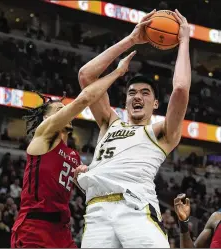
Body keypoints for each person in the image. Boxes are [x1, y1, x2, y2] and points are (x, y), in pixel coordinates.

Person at [75, 9, 191, 248]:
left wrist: (184, 41)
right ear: (126, 101)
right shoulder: (109, 122)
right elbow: (86, 76)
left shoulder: (162, 132)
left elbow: (180, 89)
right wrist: (131, 40)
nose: (137, 97)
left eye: (145, 93)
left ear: (155, 103)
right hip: (97, 212)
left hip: (136, 208)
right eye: (132, 93)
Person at [10, 52, 135, 248]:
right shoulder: (44, 136)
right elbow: (83, 100)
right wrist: (118, 72)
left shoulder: (73, 156)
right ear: (47, 120)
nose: (66, 113)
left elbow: (87, 189)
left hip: (62, 231)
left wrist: (86, 178)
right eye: (59, 111)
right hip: (35, 227)